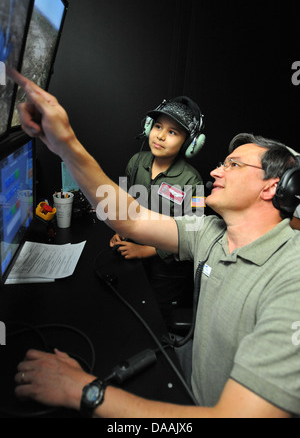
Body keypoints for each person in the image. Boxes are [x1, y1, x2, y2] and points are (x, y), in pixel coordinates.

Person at [11, 70, 300, 418]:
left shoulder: (292, 279)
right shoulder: (210, 232)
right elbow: (129, 217)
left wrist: (83, 390)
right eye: (223, 163)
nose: (215, 172)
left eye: (234, 165)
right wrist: (65, 143)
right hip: (186, 386)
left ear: (272, 187)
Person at [110, 97, 204, 325]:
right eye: (158, 126)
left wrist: (146, 251)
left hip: (167, 273)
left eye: (173, 132)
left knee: (154, 322)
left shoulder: (194, 180)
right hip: (131, 258)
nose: (160, 136)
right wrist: (119, 228)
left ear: (189, 143)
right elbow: (124, 203)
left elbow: (193, 232)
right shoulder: (135, 162)